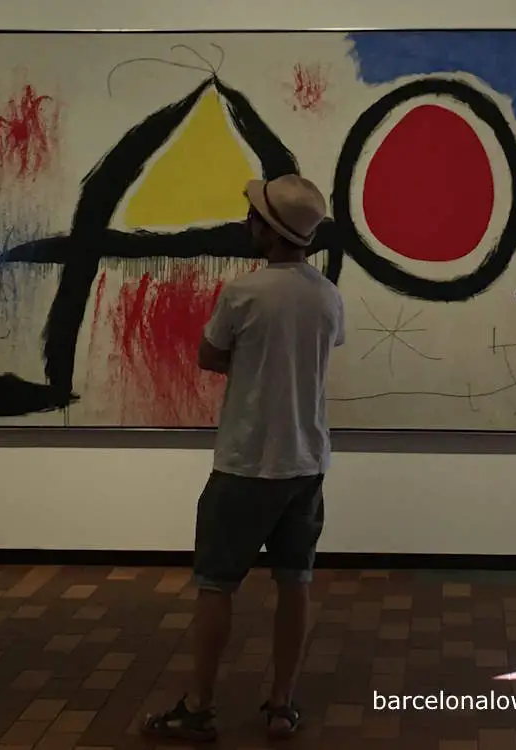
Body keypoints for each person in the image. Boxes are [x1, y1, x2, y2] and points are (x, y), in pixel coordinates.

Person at [142, 174, 346, 743]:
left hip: (245, 461)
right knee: (296, 581)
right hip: (307, 461)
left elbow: (210, 355)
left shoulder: (243, 293)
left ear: (269, 230)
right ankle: (281, 705)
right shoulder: (328, 295)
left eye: (254, 217)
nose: (247, 223)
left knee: (215, 585)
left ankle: (200, 704)